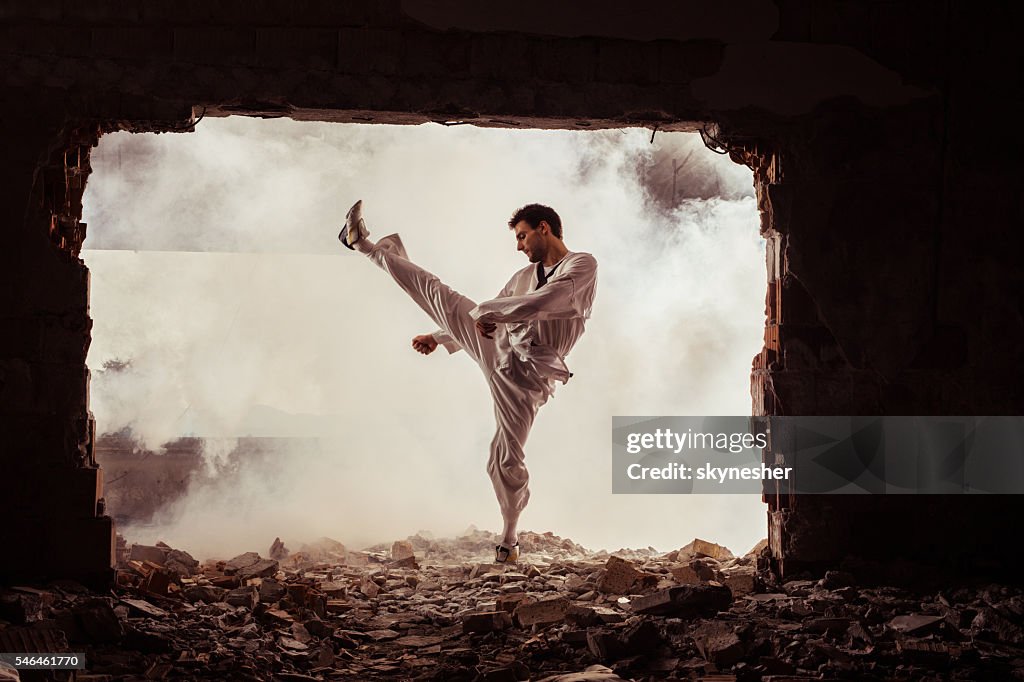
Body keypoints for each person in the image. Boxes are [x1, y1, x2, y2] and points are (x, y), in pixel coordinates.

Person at [339, 200, 598, 563]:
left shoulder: (581, 264)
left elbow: (544, 301)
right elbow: (491, 317)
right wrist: (441, 337)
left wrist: (489, 312)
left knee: (504, 459)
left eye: (522, 236)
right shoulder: (523, 277)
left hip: (527, 376)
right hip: (500, 348)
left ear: (544, 228)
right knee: (438, 294)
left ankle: (509, 540)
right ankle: (363, 245)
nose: (519, 245)